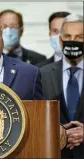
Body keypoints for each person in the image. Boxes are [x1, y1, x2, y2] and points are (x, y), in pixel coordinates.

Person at [40, 14, 83, 158]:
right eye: (68, 36)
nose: (73, 41)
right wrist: (54, 132)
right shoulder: (41, 74)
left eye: (79, 37)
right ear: (60, 40)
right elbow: (33, 117)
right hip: (53, 153)